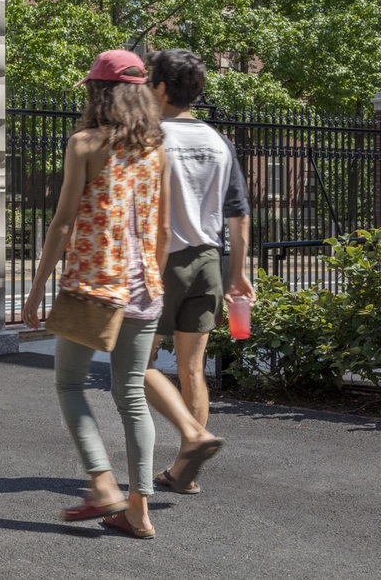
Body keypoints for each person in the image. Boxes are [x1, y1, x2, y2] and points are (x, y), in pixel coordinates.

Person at [21, 49, 171, 539]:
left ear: (98, 92)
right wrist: (153, 282)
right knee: (130, 395)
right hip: (145, 288)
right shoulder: (156, 148)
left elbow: (63, 224)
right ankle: (139, 509)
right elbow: (164, 231)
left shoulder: (85, 143)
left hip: (94, 286)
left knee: (69, 385)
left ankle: (103, 483)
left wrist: (37, 289)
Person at [142, 49, 252, 494]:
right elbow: (239, 215)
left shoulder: (149, 137)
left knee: (132, 365)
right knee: (192, 370)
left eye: (150, 82)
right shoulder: (217, 141)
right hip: (208, 260)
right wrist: (237, 274)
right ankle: (186, 473)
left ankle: (192, 434)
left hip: (160, 261)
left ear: (162, 89)